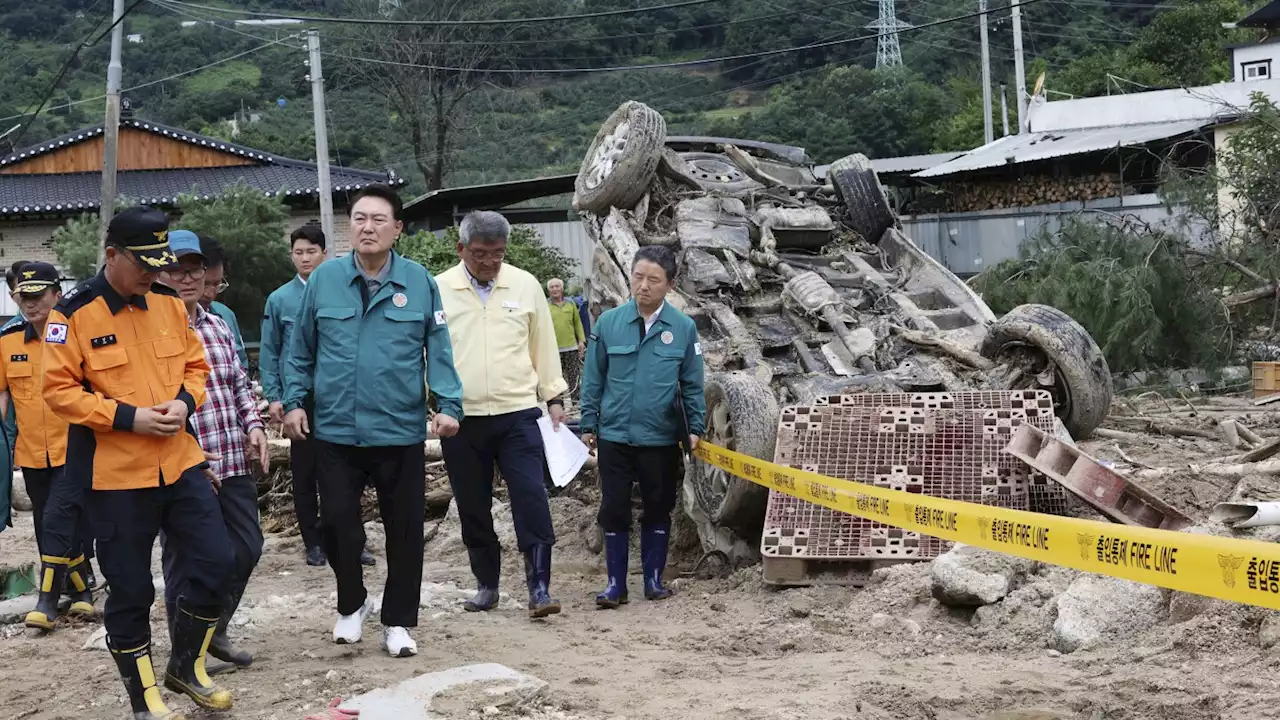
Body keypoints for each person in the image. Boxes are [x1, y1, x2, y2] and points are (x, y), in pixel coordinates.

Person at [42, 206, 234, 716]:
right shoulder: (73, 314)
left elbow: (196, 366)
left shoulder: (169, 304)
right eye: (144, 264)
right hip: (114, 476)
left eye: (159, 264)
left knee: (219, 560)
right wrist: (129, 418)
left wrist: (185, 403)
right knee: (131, 589)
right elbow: (58, 393)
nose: (155, 274)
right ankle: (144, 698)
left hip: (179, 462)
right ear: (112, 255)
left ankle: (186, 666)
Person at [282, 184, 463, 658]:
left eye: (378, 219)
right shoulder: (325, 279)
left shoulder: (420, 281)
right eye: (359, 218)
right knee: (339, 525)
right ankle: (352, 604)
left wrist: (449, 404)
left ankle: (399, 621)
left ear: (397, 229)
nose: (367, 227)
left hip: (398, 429)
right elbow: (300, 348)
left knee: (405, 530)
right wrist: (294, 401)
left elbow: (438, 350)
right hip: (336, 430)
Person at [437, 210, 568, 620]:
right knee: (472, 505)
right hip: (462, 418)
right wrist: (437, 402)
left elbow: (543, 345)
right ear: (461, 249)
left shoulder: (526, 284)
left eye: (497, 254)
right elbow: (429, 353)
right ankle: (487, 584)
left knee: (531, 499)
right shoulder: (438, 289)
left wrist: (554, 396)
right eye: (480, 254)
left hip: (517, 413)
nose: (490, 263)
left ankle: (540, 587)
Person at [158, 231, 269, 674]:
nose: (186, 278)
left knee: (247, 546)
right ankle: (186, 653)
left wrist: (256, 426)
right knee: (185, 561)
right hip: (186, 465)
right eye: (176, 269)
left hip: (232, 455)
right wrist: (188, 458)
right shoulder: (154, 331)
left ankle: (213, 629)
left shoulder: (218, 323)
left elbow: (238, 384)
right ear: (160, 273)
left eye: (195, 269)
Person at [579, 245, 706, 608]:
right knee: (614, 507)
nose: (644, 286)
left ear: (670, 285)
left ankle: (653, 580)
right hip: (615, 436)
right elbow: (593, 376)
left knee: (657, 506)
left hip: (660, 437)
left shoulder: (683, 328)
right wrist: (589, 420)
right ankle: (615, 585)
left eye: (654, 280)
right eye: (638, 277)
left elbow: (693, 383)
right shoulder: (609, 323)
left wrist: (694, 427)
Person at [261, 226, 375, 569]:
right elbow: (271, 352)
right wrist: (276, 396)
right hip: (301, 400)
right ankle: (313, 543)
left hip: (341, 396)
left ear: (324, 253)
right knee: (306, 472)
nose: (305, 258)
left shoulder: (344, 291)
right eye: (298, 252)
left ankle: (351, 540)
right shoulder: (280, 299)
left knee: (350, 472)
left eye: (311, 251)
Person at [0, 262, 95, 630]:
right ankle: (82, 590)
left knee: (60, 517)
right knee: (47, 523)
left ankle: (47, 601)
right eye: (24, 297)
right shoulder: (8, 343)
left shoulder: (76, 336)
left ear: (57, 294)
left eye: (38, 295)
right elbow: (3, 394)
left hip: (74, 447)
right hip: (32, 453)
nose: (31, 303)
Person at [199, 252, 248, 372]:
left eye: (216, 284)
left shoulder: (226, 315)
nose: (209, 294)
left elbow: (241, 362)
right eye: (205, 284)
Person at [546, 278, 586, 403]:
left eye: (557, 286)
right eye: (552, 287)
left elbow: (577, 322)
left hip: (571, 347)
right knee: (557, 379)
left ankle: (575, 403)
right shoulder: (545, 305)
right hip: (553, 349)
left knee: (574, 376)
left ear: (562, 289)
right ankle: (559, 404)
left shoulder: (570, 303)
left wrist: (581, 341)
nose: (555, 289)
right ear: (548, 290)